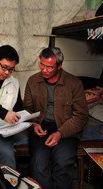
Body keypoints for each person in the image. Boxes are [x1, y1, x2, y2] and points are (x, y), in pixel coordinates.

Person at [23, 47, 88, 189]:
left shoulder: (74, 83)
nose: (44, 70)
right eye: (42, 65)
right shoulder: (33, 81)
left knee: (63, 163)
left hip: (66, 128)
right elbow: (27, 110)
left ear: (59, 66)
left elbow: (81, 116)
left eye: (49, 67)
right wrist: (34, 124)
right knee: (38, 165)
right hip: (41, 127)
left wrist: (60, 133)